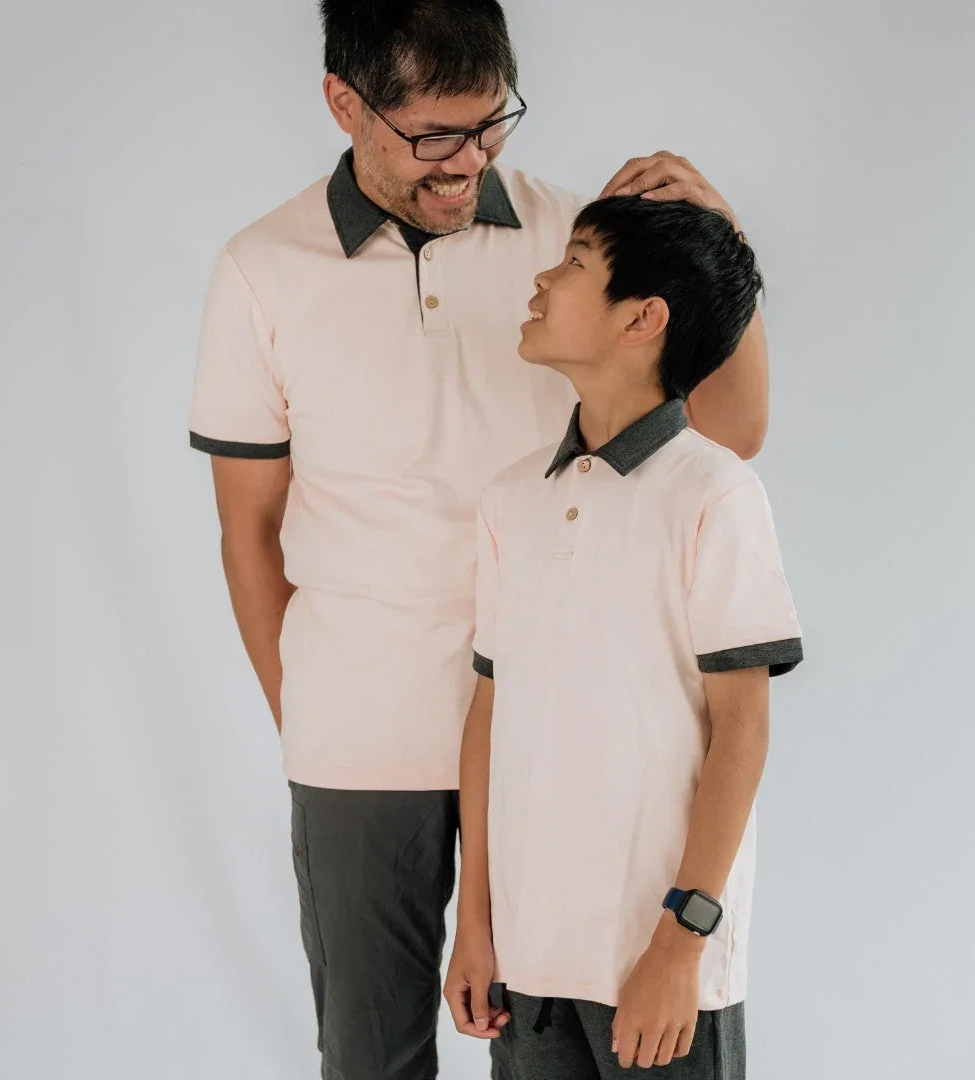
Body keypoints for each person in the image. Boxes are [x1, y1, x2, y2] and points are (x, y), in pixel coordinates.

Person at [186, 2, 770, 1076]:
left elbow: (727, 436)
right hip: (359, 730)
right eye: (433, 137)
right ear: (344, 102)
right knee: (370, 1054)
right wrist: (307, 715)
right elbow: (248, 528)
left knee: (551, 1045)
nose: (467, 162)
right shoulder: (260, 268)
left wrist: (723, 235)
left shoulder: (573, 238)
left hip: (556, 732)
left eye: (488, 124)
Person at [443, 195, 803, 1079]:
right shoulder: (511, 500)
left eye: (573, 263)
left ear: (643, 318)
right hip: (528, 970)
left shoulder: (714, 495)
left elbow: (743, 732)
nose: (542, 276)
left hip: (658, 970)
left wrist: (681, 947)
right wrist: (476, 925)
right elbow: (490, 717)